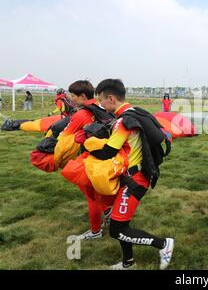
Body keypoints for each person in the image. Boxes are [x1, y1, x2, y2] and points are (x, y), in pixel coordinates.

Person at [92, 79, 174, 270]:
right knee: (122, 223)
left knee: (117, 229)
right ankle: (128, 262)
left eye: (101, 100)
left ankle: (163, 244)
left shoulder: (123, 122)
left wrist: (87, 143)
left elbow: (108, 151)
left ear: (111, 98)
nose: (101, 105)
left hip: (133, 181)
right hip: (132, 177)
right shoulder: (137, 112)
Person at [59, 80, 113, 240]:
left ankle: (95, 231)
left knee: (92, 196)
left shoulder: (82, 113)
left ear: (82, 96)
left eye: (73, 95)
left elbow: (65, 136)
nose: (70, 98)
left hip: (90, 159)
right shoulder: (101, 107)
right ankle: (108, 211)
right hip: (105, 156)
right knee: (97, 191)